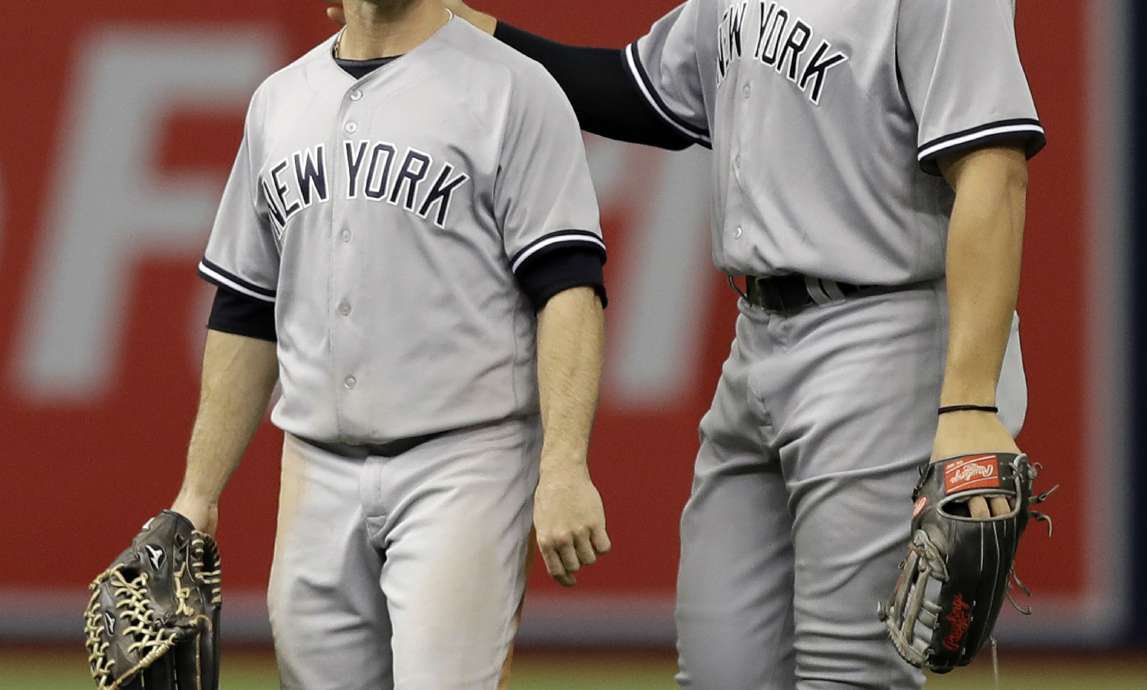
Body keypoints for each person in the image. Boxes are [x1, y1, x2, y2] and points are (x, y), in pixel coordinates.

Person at [326, 0, 1047, 687]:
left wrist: (969, 404)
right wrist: (455, 27)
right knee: (719, 667)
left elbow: (994, 169)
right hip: (758, 338)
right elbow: (637, 92)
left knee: (848, 673)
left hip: (884, 331)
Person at [173, 0, 613, 687]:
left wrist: (563, 465)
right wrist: (197, 495)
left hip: (465, 461)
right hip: (315, 466)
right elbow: (246, 307)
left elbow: (569, 287)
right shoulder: (279, 102)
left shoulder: (514, 89)